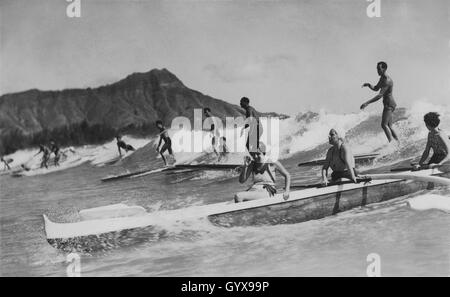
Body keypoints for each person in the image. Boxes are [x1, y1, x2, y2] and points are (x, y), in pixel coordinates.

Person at [360, 61, 399, 143]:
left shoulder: (387, 80)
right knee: (389, 126)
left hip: (389, 104)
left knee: (384, 125)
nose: (377, 71)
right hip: (389, 104)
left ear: (384, 69)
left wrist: (367, 103)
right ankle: (398, 143)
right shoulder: (382, 78)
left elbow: (379, 95)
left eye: (379, 69)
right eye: (377, 69)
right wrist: (369, 85)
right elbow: (376, 88)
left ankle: (391, 144)